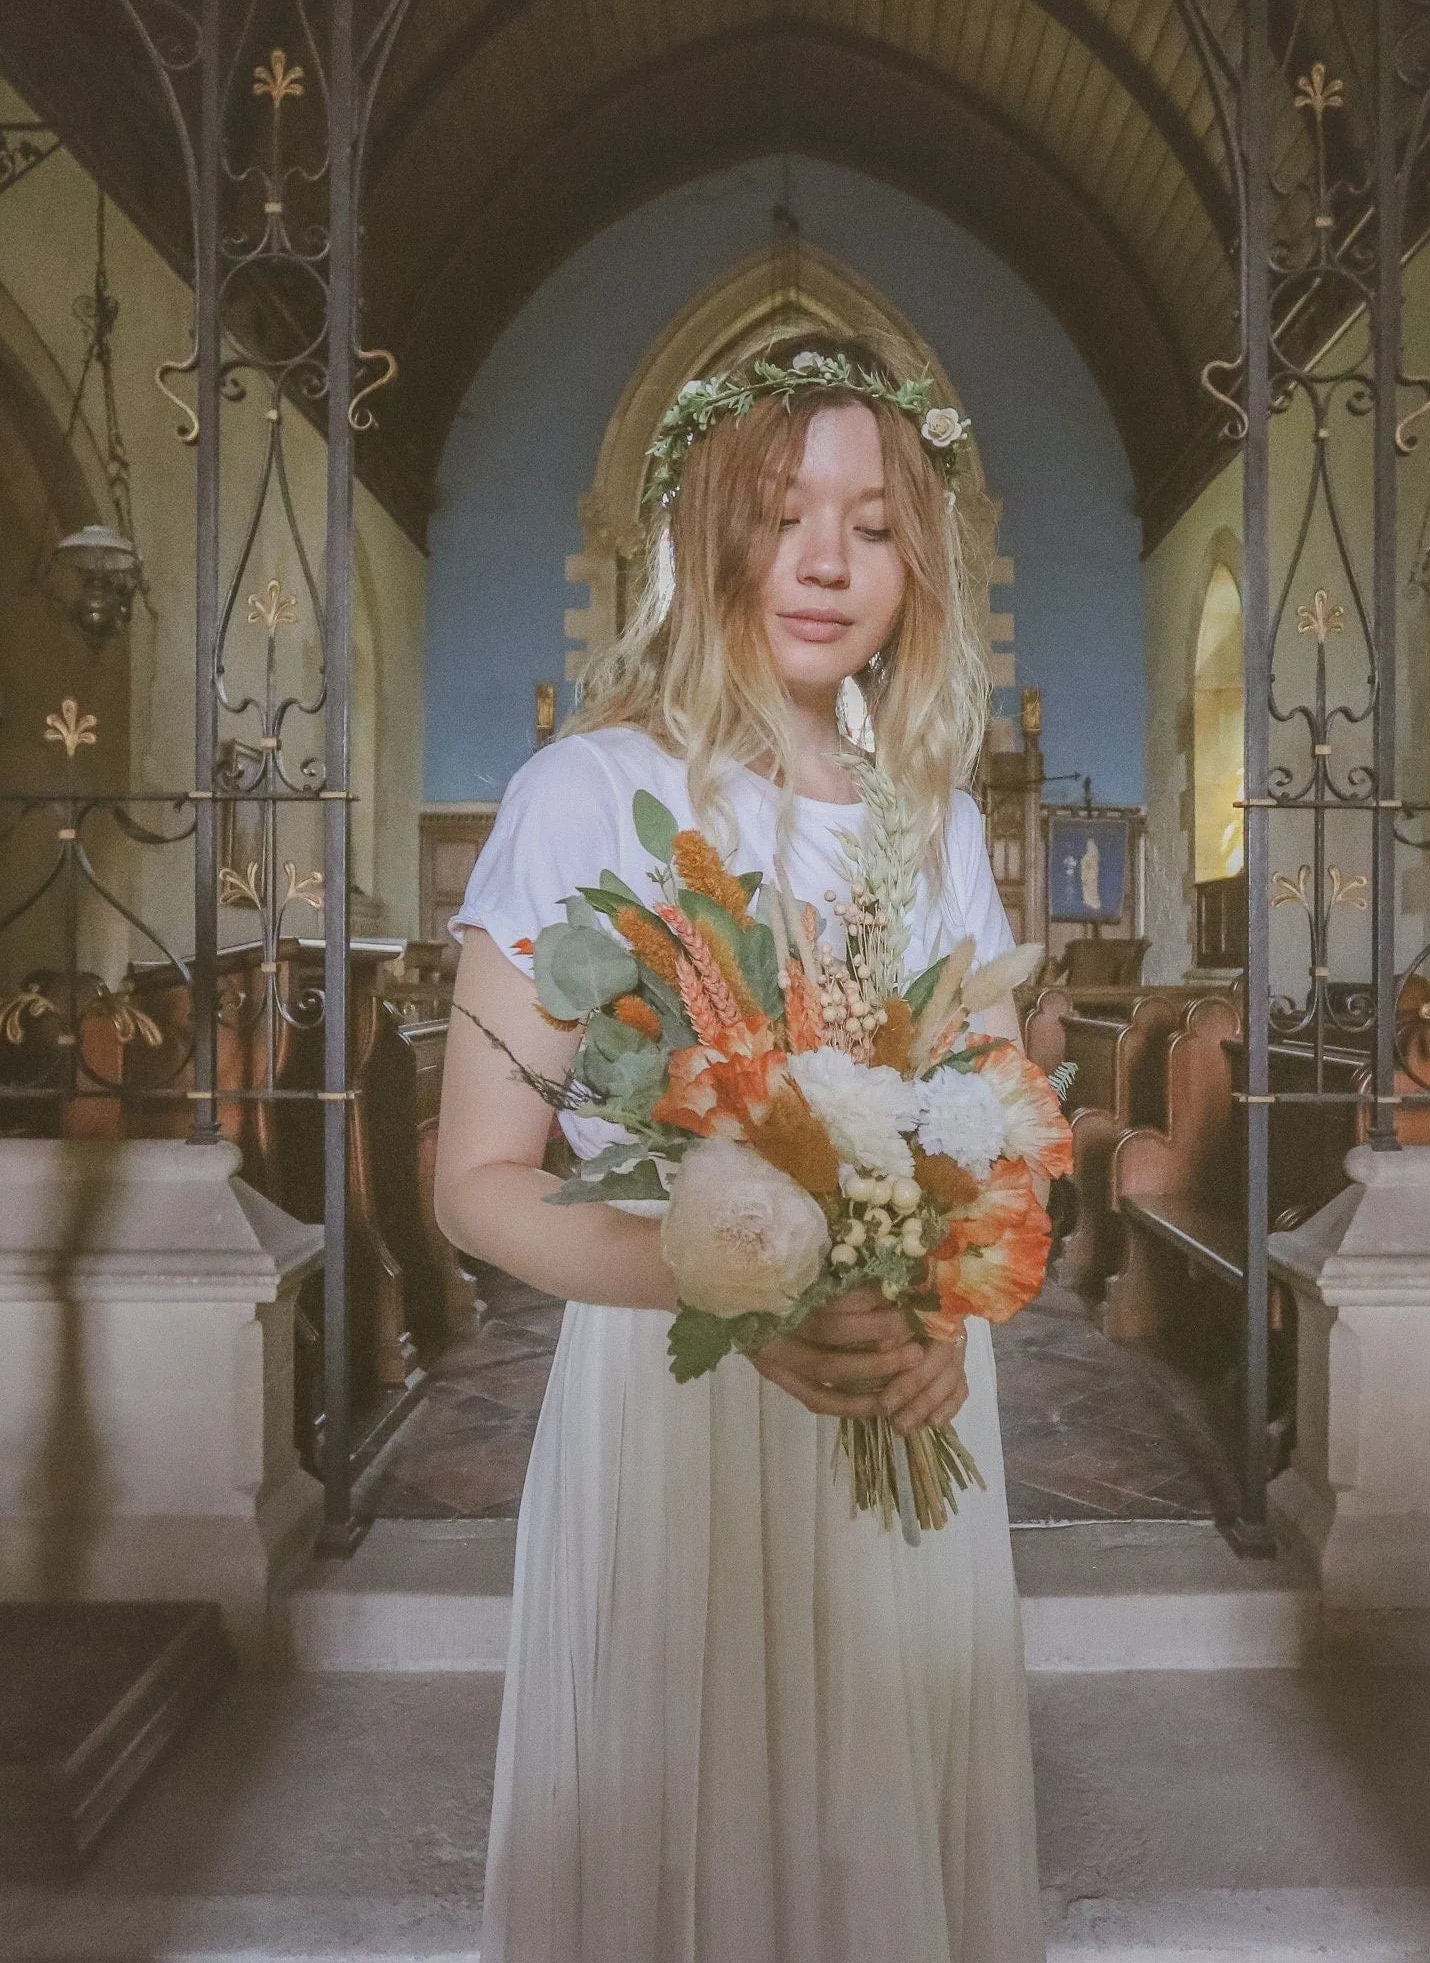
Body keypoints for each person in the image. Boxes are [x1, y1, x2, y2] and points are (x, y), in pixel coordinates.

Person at [435, 330, 1047, 1963]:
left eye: (871, 520)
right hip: (684, 1391)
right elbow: (476, 1182)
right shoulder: (585, 792)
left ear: (920, 555)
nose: (825, 562)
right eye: (782, 513)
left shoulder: (940, 815)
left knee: (877, 1840)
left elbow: (996, 1122)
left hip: (903, 1385)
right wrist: (736, 1289)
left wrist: (949, 1305)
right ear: (711, 532)